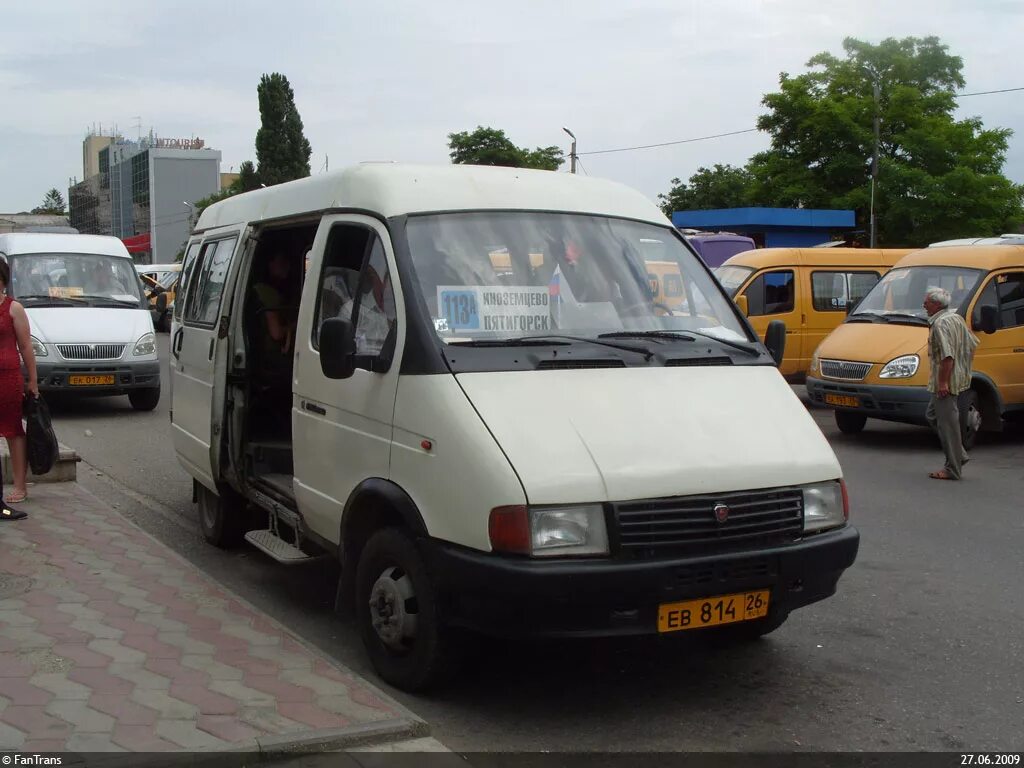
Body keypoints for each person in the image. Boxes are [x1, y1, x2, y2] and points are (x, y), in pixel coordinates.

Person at [923, 285, 979, 481]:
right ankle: (959, 453)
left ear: (937, 304)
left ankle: (953, 468)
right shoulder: (956, 318)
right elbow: (972, 344)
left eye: (927, 302)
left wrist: (944, 383)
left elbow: (948, 357)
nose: (924, 305)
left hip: (946, 381)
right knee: (932, 415)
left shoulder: (940, 324)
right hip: (955, 377)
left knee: (948, 425)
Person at [0, 258, 38, 518]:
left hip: (8, 377)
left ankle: (20, 486)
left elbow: (26, 347)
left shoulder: (13, 308)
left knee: (13, 431)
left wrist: (32, 380)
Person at [251, 252, 299, 371]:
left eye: (288, 263)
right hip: (269, 355)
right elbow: (276, 333)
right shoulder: (267, 293)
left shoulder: (265, 290)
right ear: (270, 264)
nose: (287, 266)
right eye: (281, 262)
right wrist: (295, 326)